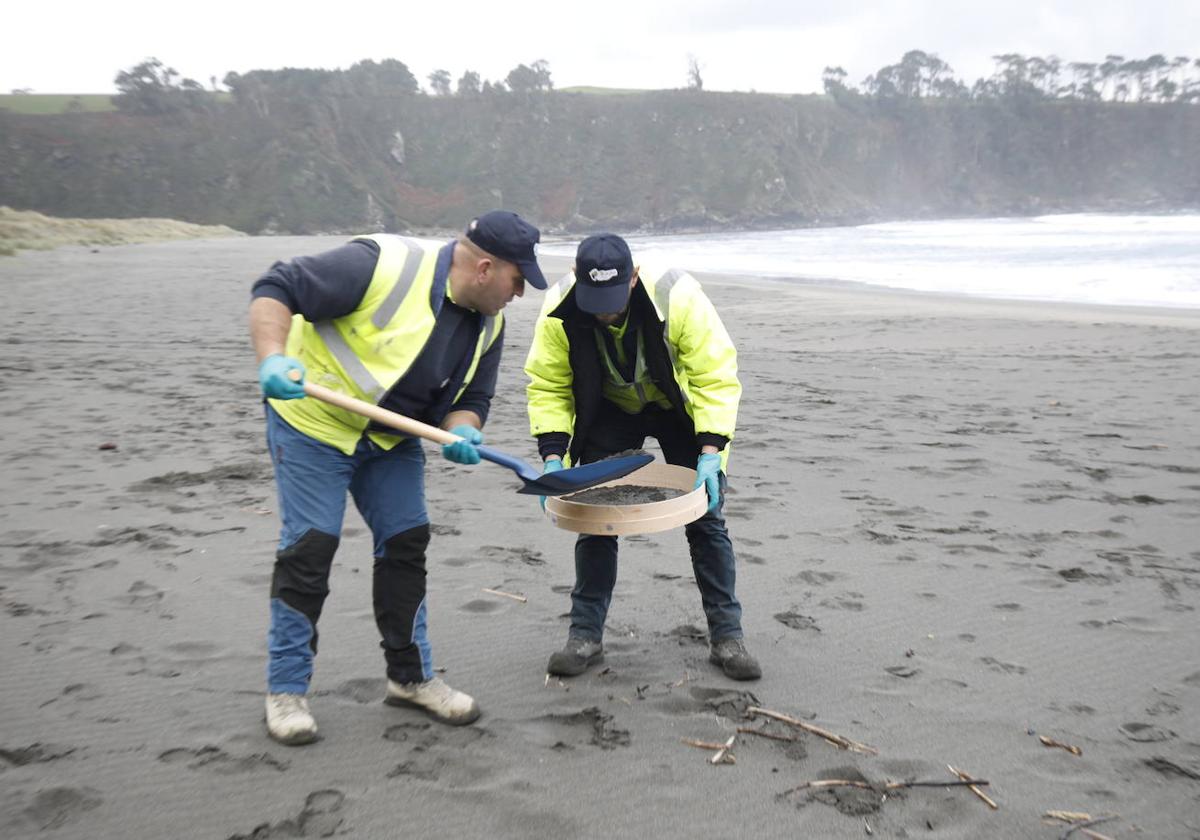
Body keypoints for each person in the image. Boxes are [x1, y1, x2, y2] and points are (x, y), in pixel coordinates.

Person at [249, 210, 547, 745]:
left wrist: (462, 431)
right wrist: (272, 358)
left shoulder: (490, 323)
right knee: (311, 547)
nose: (520, 293)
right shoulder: (381, 265)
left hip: (389, 440)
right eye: (518, 279)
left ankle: (409, 678)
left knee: (406, 541)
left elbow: (471, 398)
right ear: (484, 267)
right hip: (312, 426)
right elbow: (277, 285)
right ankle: (286, 690)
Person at [524, 233, 761, 681]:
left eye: (612, 299)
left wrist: (711, 451)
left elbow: (714, 374)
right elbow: (549, 383)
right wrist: (553, 456)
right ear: (576, 279)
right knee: (594, 514)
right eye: (594, 300)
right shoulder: (559, 308)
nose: (604, 311)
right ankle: (585, 636)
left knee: (706, 514)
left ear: (633, 278)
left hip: (675, 406)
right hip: (609, 407)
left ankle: (728, 637)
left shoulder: (678, 295)